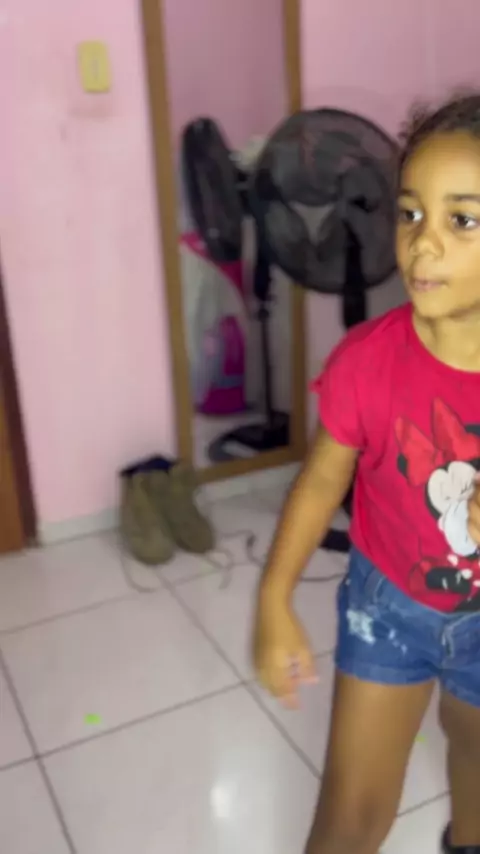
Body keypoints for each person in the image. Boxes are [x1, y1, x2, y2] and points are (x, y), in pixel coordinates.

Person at [253, 93, 480, 854]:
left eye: (462, 220)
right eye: (411, 213)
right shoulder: (366, 363)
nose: (422, 243)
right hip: (388, 608)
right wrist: (275, 595)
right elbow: (322, 482)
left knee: (476, 762)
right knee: (350, 815)